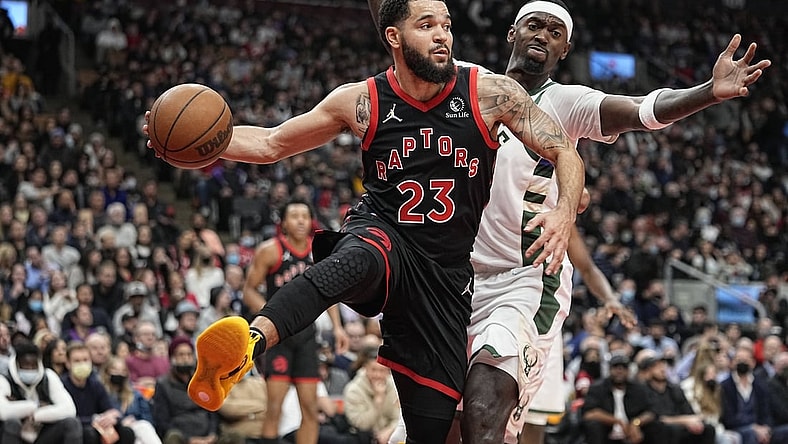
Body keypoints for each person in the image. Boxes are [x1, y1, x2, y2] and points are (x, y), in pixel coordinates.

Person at [146, 1, 586, 442]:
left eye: (447, 26)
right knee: (358, 259)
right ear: (394, 37)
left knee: (432, 430)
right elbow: (271, 143)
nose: (443, 36)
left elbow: (564, 151)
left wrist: (564, 211)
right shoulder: (361, 100)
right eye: (427, 25)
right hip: (385, 233)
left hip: (445, 279)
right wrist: (192, 143)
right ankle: (248, 344)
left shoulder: (491, 93)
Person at [362, 0, 770, 442]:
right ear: (511, 34)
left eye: (555, 33)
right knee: (435, 431)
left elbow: (644, 111)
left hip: (525, 281)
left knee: (483, 409)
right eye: (533, 26)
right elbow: (401, 34)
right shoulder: (466, 81)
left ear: (565, 49)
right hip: (451, 283)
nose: (542, 35)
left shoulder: (566, 101)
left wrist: (708, 90)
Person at [242, 199, 349, 444]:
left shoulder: (320, 250)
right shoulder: (270, 250)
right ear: (283, 223)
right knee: (275, 407)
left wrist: (338, 327)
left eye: (305, 215)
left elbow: (329, 293)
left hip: (306, 337)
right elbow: (249, 291)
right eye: (294, 216)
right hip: (277, 338)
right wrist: (273, 315)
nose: (301, 220)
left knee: (310, 408)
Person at [0, 341, 82, 444]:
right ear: (16, 365)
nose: (30, 370)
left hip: (42, 434)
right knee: (11, 423)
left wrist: (34, 415)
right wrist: (36, 406)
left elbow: (69, 409)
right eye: (25, 366)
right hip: (14, 435)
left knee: (72, 423)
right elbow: (4, 412)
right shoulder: (4, 379)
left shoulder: (48, 376)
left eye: (33, 366)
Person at [581, 352, 666, 444]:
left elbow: (652, 411)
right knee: (594, 425)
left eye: (624, 367)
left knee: (657, 426)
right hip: (607, 430)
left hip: (633, 431)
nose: (619, 371)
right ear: (609, 370)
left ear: (629, 370)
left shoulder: (639, 389)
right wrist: (617, 421)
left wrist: (636, 423)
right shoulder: (597, 388)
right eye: (616, 367)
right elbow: (589, 413)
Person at [61, 342, 136, 444]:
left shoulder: (95, 384)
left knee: (126, 432)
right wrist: (93, 420)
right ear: (68, 363)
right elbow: (66, 419)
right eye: (77, 361)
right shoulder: (61, 385)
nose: (82, 364)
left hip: (98, 425)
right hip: (77, 429)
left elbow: (110, 410)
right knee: (89, 433)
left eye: (85, 360)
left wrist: (112, 418)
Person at [151, 336, 219, 444]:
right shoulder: (163, 384)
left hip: (206, 433)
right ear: (172, 358)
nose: (185, 358)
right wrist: (189, 440)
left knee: (233, 435)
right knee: (173, 437)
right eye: (181, 355)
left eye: (189, 354)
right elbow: (162, 421)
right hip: (181, 436)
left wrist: (212, 434)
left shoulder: (202, 380)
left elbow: (212, 412)